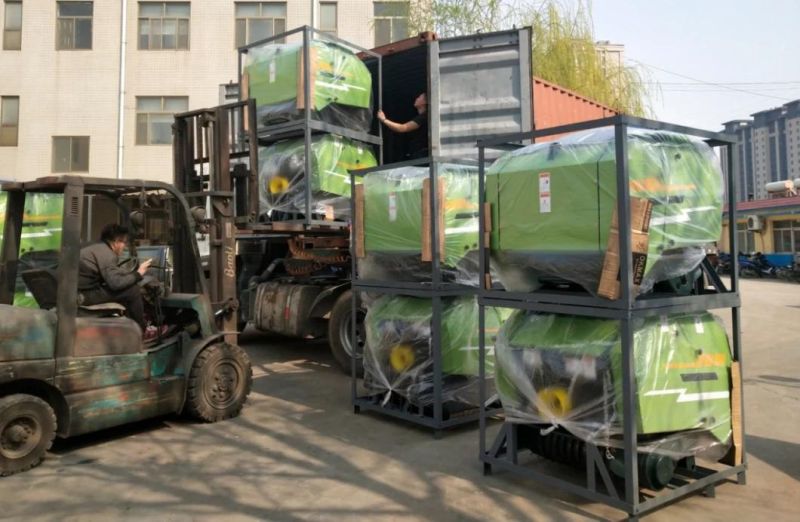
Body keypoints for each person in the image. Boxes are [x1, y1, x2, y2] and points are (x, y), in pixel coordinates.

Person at [78, 224, 151, 330]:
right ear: (117, 241)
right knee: (133, 290)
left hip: (78, 291)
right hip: (82, 295)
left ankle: (126, 327)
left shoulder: (95, 247)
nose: (125, 246)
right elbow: (115, 283)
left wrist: (130, 274)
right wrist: (138, 274)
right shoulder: (107, 254)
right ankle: (141, 330)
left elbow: (111, 272)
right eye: (124, 242)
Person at [377, 93, 428, 159]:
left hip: (421, 155)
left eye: (419, 97)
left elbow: (403, 128)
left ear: (425, 102)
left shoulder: (424, 117)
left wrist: (384, 120)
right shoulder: (423, 116)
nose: (416, 98)